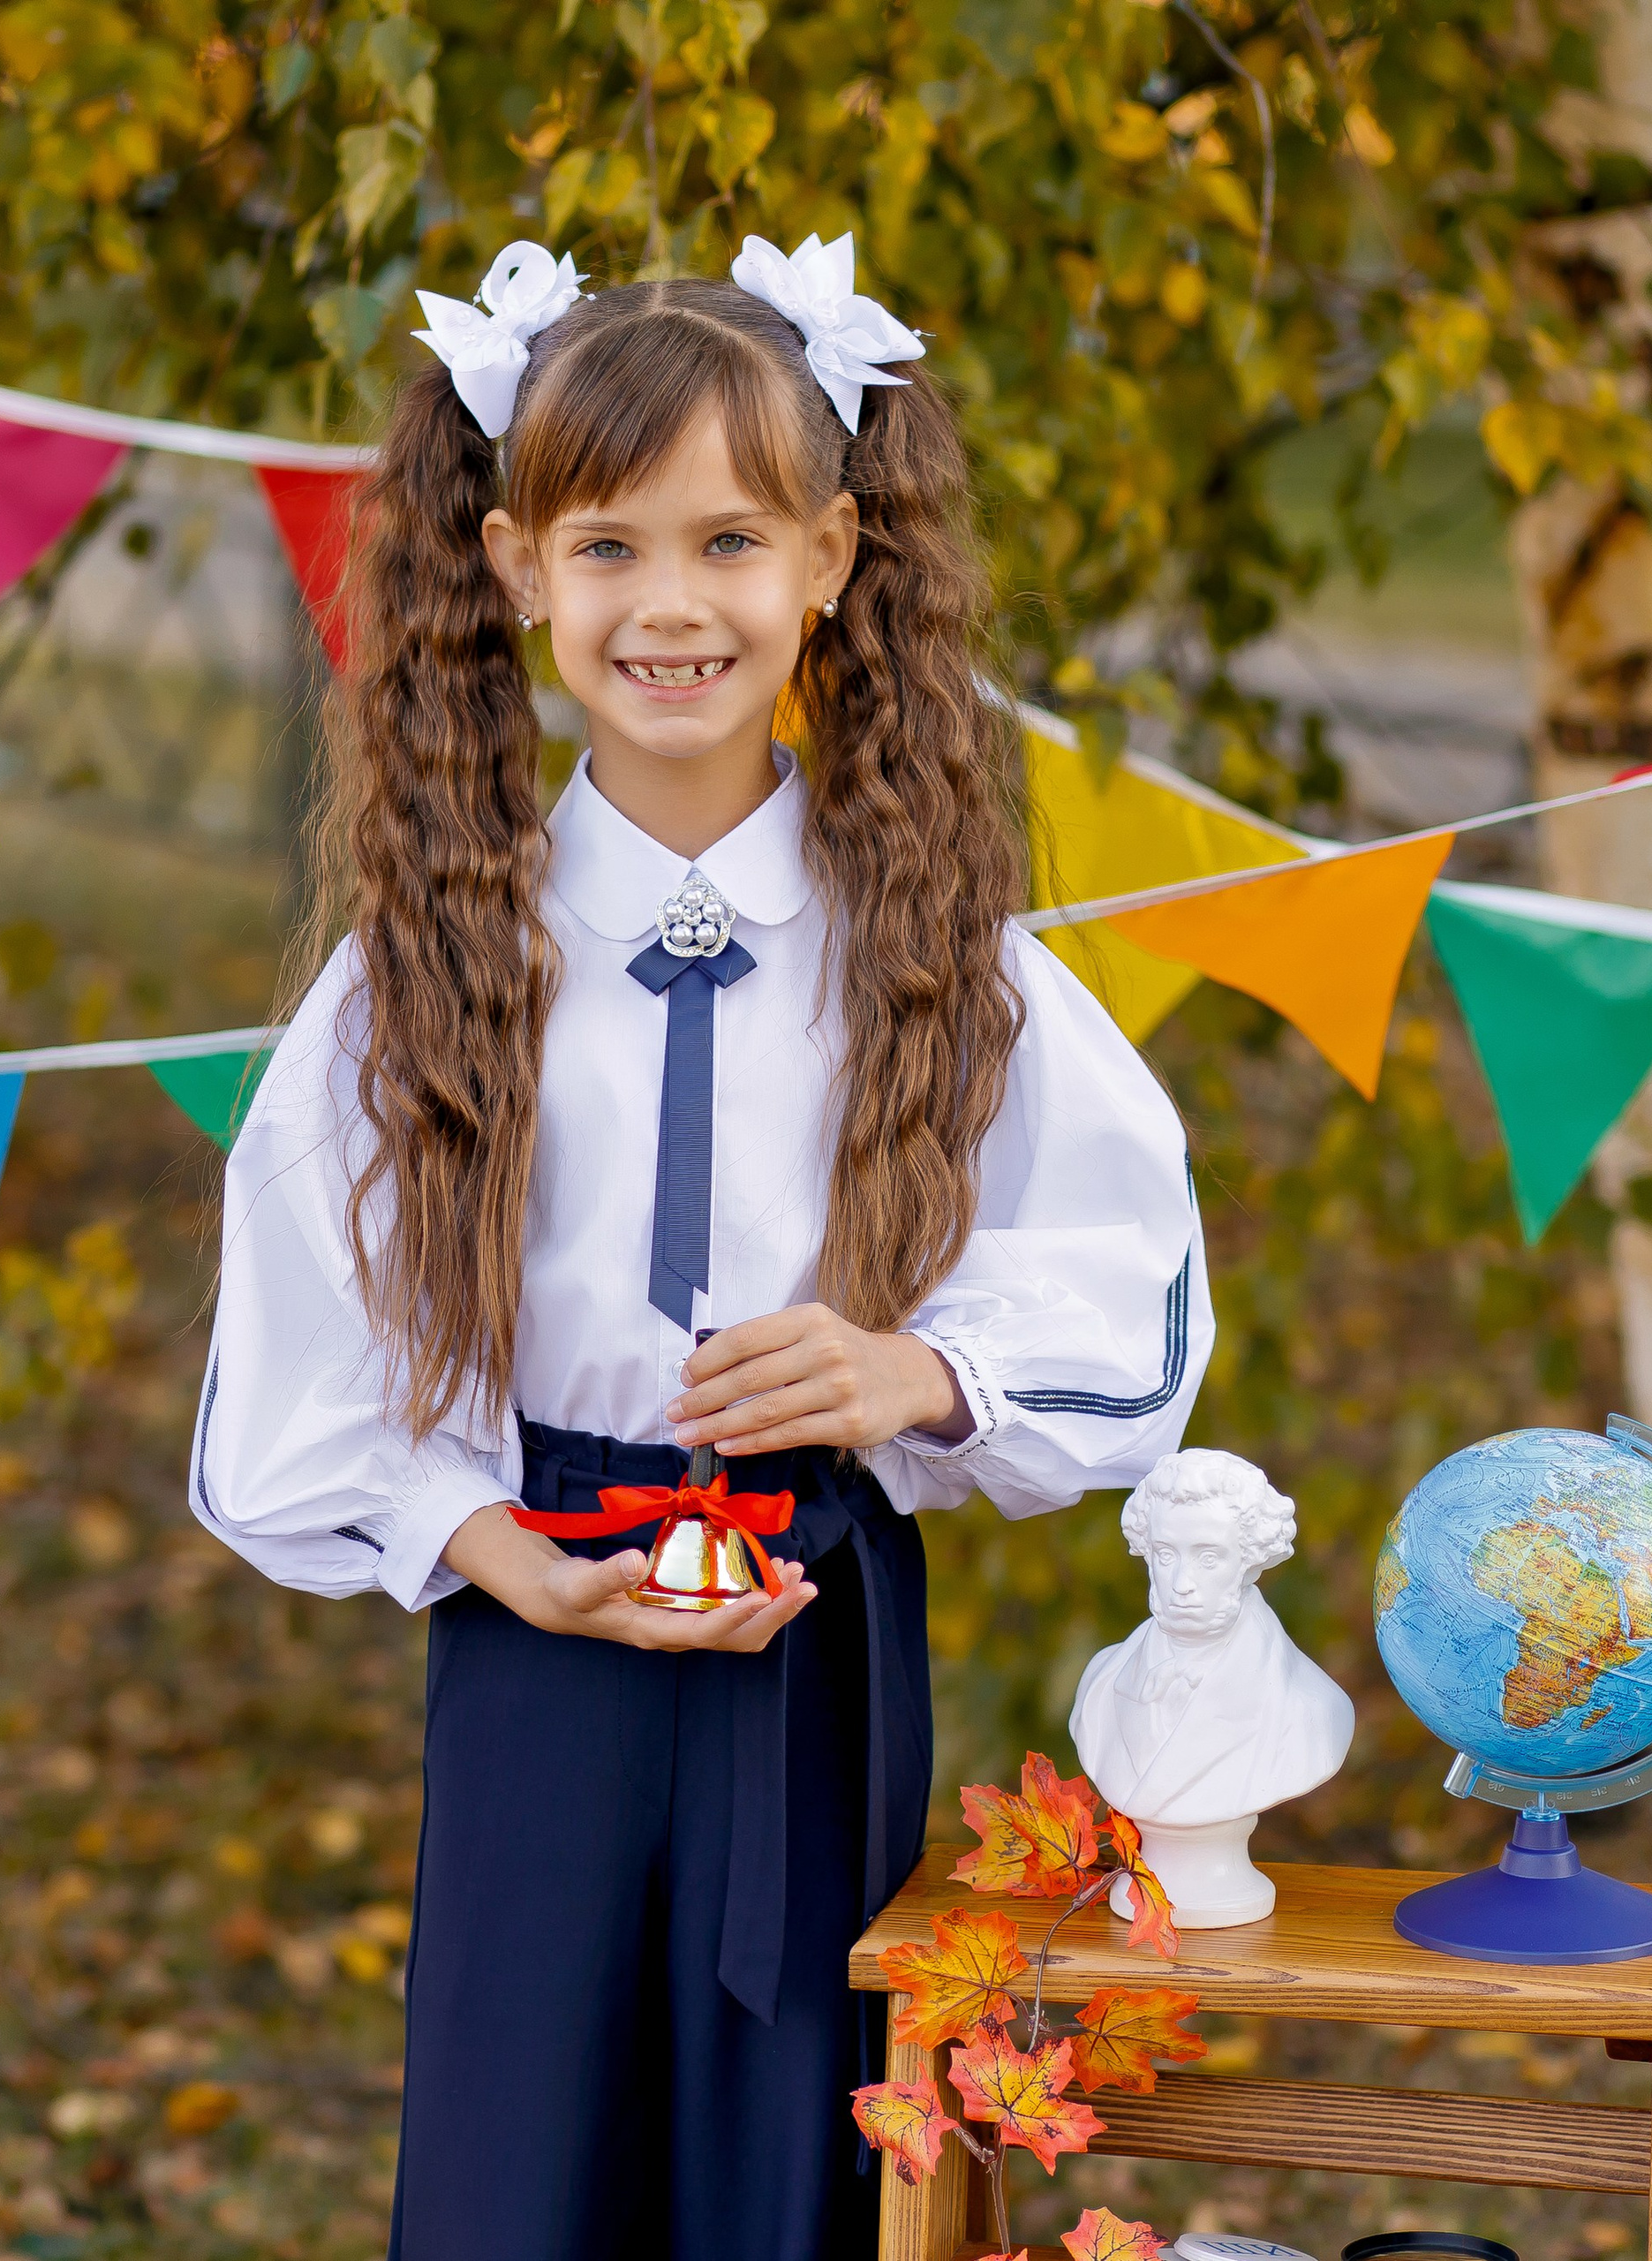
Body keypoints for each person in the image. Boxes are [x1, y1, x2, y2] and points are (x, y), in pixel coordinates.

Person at [188, 232, 1212, 2261]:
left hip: (808, 1646)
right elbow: (291, 1351)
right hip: (532, 1630)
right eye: (607, 546)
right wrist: (494, 1551)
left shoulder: (939, 962)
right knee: (520, 2149)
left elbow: (1130, 1285)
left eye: (730, 538)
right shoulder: (414, 980)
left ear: (830, 557)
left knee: (792, 2157)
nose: (669, 603)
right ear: (507, 564)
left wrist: (910, 1371)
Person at [1070, 1448, 1354, 1831]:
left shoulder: (1313, 1710)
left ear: (1248, 1560)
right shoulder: (1100, 1683)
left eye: (1208, 1559)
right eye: (1167, 1555)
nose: (1183, 1585)